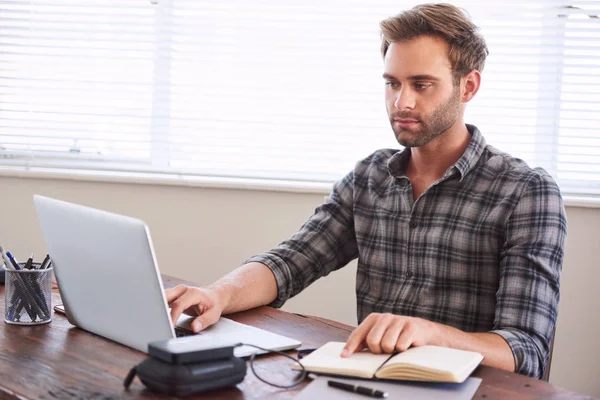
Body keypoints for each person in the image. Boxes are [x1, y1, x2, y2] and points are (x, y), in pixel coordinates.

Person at [165, 3, 566, 379]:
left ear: (468, 86)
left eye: (421, 84)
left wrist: (428, 333)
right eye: (392, 83)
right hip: (371, 383)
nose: (401, 102)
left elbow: (526, 351)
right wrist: (216, 293)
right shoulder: (370, 177)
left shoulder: (526, 192)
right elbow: (291, 261)